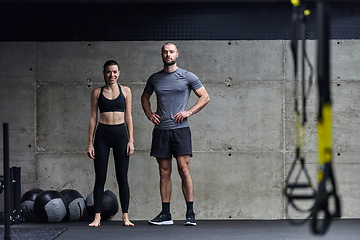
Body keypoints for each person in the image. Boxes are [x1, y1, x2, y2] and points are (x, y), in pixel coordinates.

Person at [141, 42, 210, 226]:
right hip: (161, 131)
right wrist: (149, 114)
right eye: (165, 52)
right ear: (162, 55)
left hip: (180, 130)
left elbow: (205, 96)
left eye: (171, 52)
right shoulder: (155, 78)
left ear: (177, 54)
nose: (168, 54)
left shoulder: (187, 76)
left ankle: (190, 214)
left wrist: (189, 112)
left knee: (183, 169)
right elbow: (145, 97)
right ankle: (165, 215)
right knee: (164, 172)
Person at [87, 60, 134, 227]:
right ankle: (97, 217)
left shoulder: (126, 91)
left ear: (119, 73)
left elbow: (128, 117)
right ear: (104, 73)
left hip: (121, 135)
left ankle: (125, 216)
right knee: (100, 178)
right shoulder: (97, 92)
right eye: (108, 72)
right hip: (102, 136)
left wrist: (131, 140)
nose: (111, 75)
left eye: (114, 72)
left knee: (123, 178)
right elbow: (93, 118)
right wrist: (90, 143)